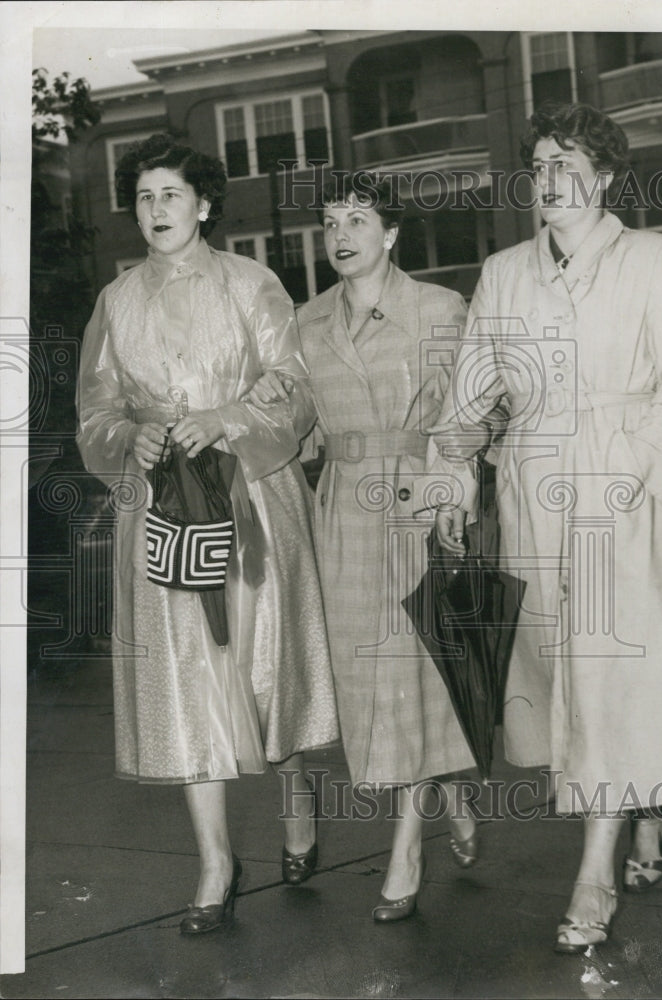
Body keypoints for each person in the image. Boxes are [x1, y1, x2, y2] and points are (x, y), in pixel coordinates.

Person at [431, 102, 662, 952]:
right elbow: (466, 404)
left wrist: (629, 472)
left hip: (626, 496)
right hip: (532, 491)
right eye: (539, 166)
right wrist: (451, 481)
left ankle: (593, 868)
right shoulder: (504, 271)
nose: (549, 182)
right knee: (566, 680)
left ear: (603, 178)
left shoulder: (651, 259)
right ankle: (640, 808)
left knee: (611, 678)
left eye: (567, 165)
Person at [76, 134, 340, 935]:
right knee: (187, 679)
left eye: (171, 195)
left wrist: (226, 418)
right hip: (161, 512)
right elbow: (96, 409)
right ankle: (216, 863)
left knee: (267, 669)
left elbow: (294, 387)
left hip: (251, 495)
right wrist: (132, 438)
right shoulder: (117, 302)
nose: (157, 210)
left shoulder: (251, 284)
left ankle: (298, 815)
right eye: (145, 197)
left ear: (203, 205)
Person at [253, 173, 481, 922]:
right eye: (329, 222)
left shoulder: (439, 310)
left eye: (357, 219)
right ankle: (449, 782)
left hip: (417, 500)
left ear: (390, 235)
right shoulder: (304, 322)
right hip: (342, 508)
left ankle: (407, 847)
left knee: (410, 669)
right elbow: (290, 422)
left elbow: (471, 415)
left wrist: (453, 492)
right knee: (368, 682)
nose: (340, 234)